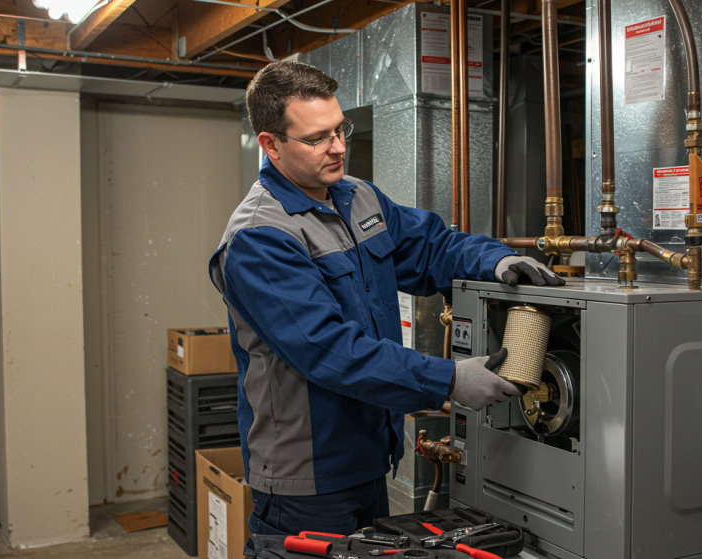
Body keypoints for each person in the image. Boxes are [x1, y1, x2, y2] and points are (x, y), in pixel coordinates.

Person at [208, 61, 564, 537]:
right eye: (317, 138)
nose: (338, 148)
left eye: (340, 129)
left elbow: (431, 246)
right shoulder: (259, 237)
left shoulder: (358, 198)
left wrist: (495, 262)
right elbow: (330, 351)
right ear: (271, 145)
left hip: (371, 455)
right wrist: (450, 380)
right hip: (306, 478)